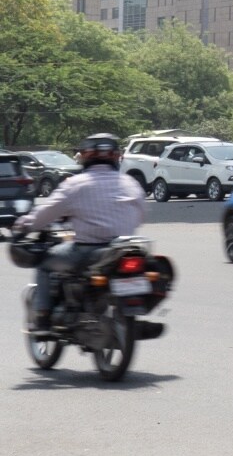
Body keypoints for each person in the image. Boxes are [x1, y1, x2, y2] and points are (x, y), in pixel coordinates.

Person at [15, 133, 144, 334]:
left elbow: (46, 213)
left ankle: (42, 318)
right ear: (116, 157)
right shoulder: (131, 183)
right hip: (125, 248)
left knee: (44, 263)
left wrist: (23, 225)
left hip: (88, 250)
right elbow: (140, 216)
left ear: (85, 156)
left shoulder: (76, 184)